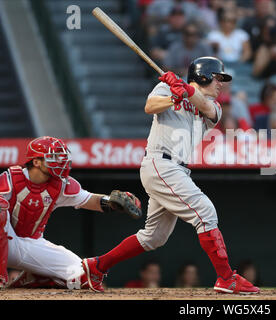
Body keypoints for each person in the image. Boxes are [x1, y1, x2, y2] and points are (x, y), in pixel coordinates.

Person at [81, 57, 260, 295]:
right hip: (161, 163)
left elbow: (205, 108)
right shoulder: (167, 87)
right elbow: (150, 107)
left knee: (153, 238)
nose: (221, 84)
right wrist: (174, 96)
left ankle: (96, 266)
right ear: (203, 76)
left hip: (177, 169)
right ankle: (226, 278)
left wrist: (185, 91)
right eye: (218, 78)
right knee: (205, 212)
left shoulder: (213, 106)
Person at [0, 136, 142, 289]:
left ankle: (38, 276)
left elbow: (89, 199)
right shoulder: (11, 178)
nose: (60, 162)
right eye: (53, 158)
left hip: (30, 245)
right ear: (36, 162)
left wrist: (112, 201)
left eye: (61, 157)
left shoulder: (60, 185)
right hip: (6, 240)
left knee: (82, 276)